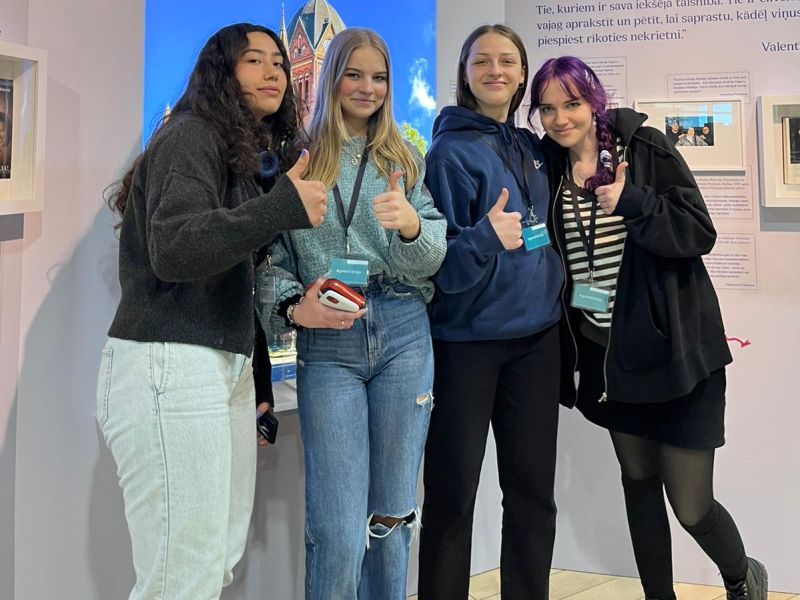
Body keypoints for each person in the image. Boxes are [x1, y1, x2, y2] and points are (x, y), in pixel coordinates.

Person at [97, 23, 327, 600]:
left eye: (280, 62)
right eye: (255, 60)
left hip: (217, 366)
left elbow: (232, 279)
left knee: (212, 563)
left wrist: (256, 381)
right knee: (181, 576)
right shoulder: (191, 134)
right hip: (170, 363)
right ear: (222, 73)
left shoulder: (235, 155)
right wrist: (279, 209)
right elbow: (176, 249)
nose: (274, 72)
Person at [528, 55, 767, 600]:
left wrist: (633, 201)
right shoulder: (549, 170)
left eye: (571, 103)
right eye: (547, 108)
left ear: (594, 101)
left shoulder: (644, 149)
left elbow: (698, 231)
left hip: (677, 355)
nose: (560, 118)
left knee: (691, 505)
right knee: (638, 486)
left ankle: (742, 577)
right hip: (609, 359)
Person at [258, 27, 446, 600]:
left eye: (379, 77)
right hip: (330, 340)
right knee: (338, 529)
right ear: (331, 78)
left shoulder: (403, 158)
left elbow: (431, 257)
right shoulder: (297, 158)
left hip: (404, 329)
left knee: (391, 517)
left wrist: (410, 227)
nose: (368, 88)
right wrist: (296, 306)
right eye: (355, 74)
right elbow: (267, 261)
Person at [418, 24, 563, 600]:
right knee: (453, 497)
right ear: (466, 72)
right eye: (482, 61)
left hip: (537, 342)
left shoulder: (531, 148)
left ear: (523, 73)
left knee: (533, 496)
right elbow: (438, 268)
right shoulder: (448, 153)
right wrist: (482, 238)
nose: (495, 70)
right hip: (467, 347)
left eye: (507, 60)